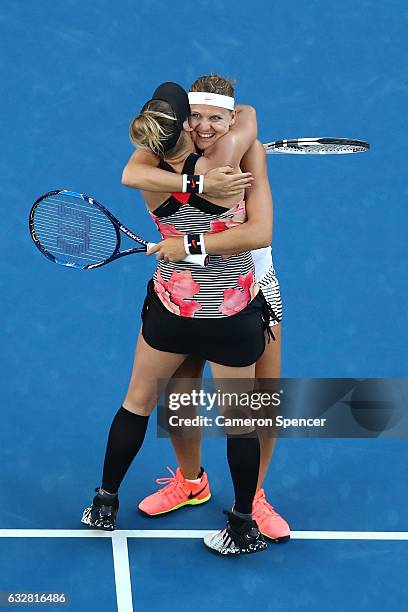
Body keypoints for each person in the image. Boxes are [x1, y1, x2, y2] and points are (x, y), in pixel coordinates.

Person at [82, 81, 273, 556]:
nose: (203, 125)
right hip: (231, 313)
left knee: (138, 403)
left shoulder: (146, 172)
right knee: (241, 422)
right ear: (187, 123)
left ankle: (103, 502)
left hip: (173, 309)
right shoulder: (233, 153)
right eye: (194, 117)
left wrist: (184, 236)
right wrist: (228, 154)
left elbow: (130, 171)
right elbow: (260, 232)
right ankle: (244, 524)